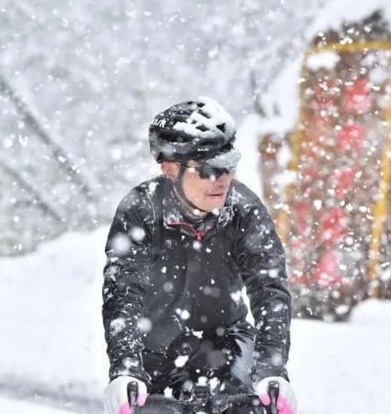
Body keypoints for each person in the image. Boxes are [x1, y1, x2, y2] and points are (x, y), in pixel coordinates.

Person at [102, 97, 297, 414]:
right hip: (156, 350)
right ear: (169, 169)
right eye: (208, 169)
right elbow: (123, 293)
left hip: (229, 344)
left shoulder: (244, 210)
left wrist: (271, 368)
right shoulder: (140, 211)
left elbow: (269, 289)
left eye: (229, 167)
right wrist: (125, 368)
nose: (222, 179)